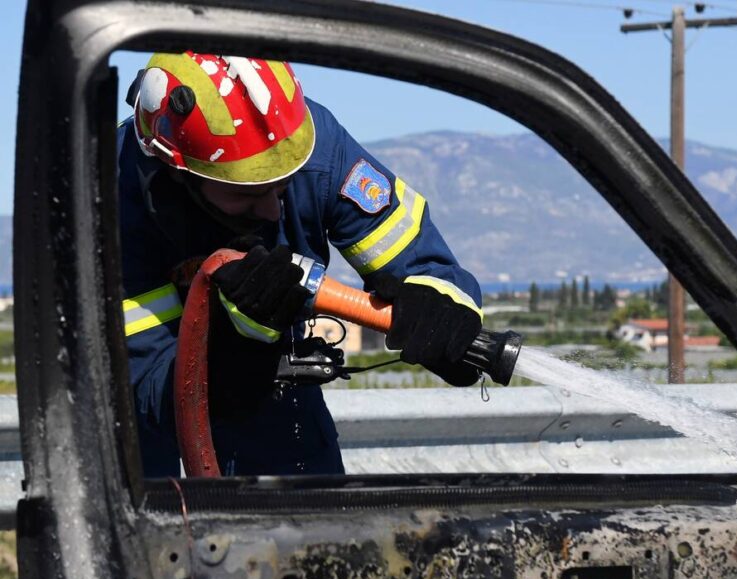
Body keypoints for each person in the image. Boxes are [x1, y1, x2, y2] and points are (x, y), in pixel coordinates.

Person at [119, 52, 483, 477]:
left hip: (278, 405)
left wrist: (441, 310)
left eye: (284, 187)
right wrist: (241, 344)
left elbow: (425, 263)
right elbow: (144, 385)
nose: (274, 211)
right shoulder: (111, 200)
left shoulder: (304, 144)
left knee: (311, 536)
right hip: (142, 436)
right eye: (249, 194)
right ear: (178, 170)